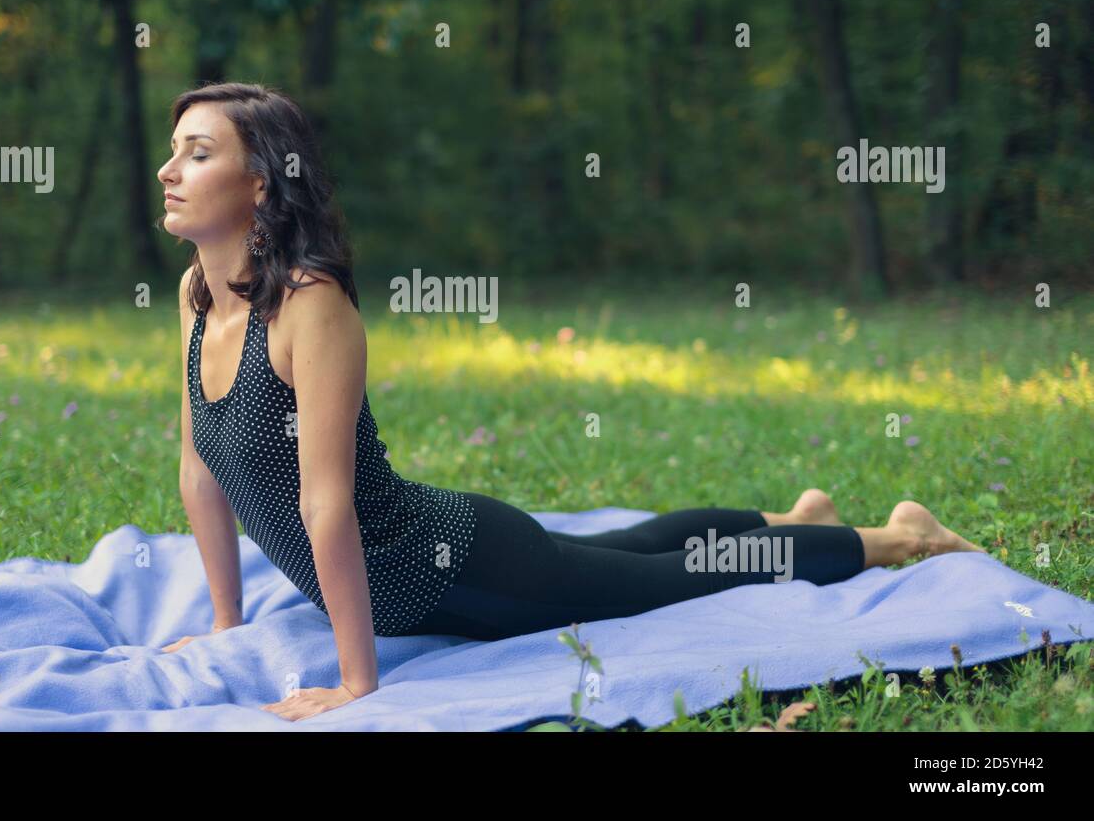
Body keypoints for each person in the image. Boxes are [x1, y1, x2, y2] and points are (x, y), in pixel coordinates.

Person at [154, 82, 986, 722]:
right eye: (174, 150)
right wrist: (227, 621)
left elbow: (324, 501)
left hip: (453, 563)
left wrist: (357, 680)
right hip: (434, 564)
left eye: (196, 152)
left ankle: (892, 540)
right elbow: (202, 472)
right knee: (634, 548)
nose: (168, 170)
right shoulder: (198, 294)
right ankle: (797, 518)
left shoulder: (312, 307)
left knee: (671, 581)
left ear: (261, 182)